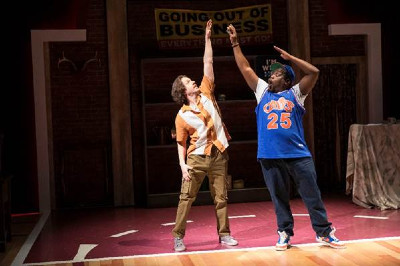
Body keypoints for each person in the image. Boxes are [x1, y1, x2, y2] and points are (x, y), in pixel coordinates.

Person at [226, 24, 345, 251]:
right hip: (270, 155)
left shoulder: (296, 94)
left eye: (278, 73)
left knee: (312, 196)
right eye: (272, 73)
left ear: (288, 80)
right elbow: (245, 68)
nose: (272, 75)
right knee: (279, 198)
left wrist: (290, 58)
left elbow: (314, 72)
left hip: (297, 153)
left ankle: (324, 232)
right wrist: (235, 43)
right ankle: (284, 234)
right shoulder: (261, 92)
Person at [170, 19, 238, 252]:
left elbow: (208, 62)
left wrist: (207, 39)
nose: (194, 81)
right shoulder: (182, 116)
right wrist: (182, 165)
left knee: (221, 197)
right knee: (186, 198)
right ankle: (178, 236)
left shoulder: (207, 92)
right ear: (183, 91)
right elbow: (180, 143)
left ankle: (225, 234)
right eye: (189, 82)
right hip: (197, 159)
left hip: (218, 153)